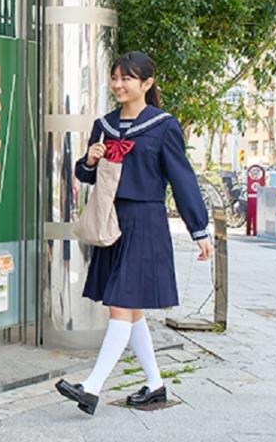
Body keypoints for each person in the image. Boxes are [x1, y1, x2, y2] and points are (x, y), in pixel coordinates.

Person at [56, 51, 212, 415]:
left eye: (127, 78)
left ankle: (92, 388)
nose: (119, 85)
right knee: (130, 309)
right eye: (115, 77)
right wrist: (90, 160)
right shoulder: (105, 124)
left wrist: (199, 229)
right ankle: (156, 385)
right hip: (112, 221)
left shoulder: (163, 125)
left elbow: (181, 178)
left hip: (145, 221)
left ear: (147, 83)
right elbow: (85, 176)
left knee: (122, 306)